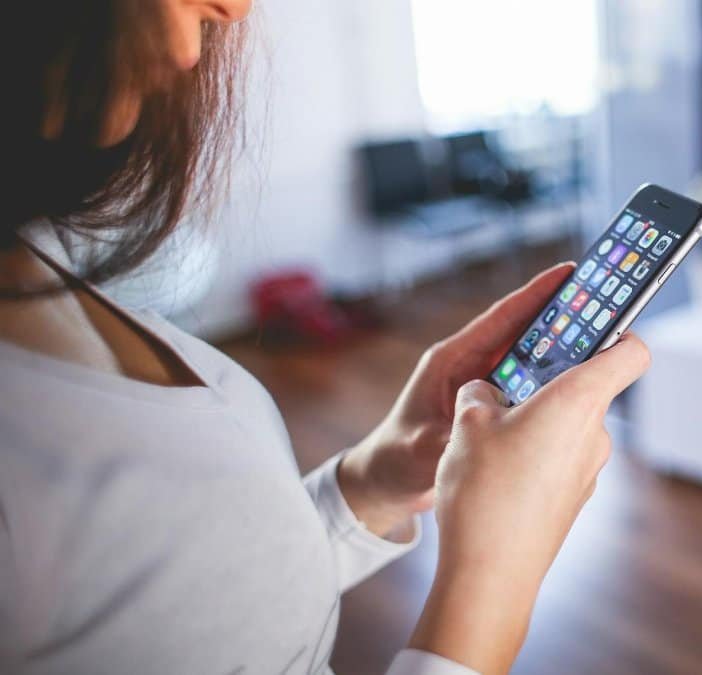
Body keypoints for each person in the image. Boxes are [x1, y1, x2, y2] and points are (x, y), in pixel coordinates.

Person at [0, 2, 650, 673]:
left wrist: (374, 480)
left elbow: (199, 603)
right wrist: (496, 570)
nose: (235, 7)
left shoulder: (33, 256)